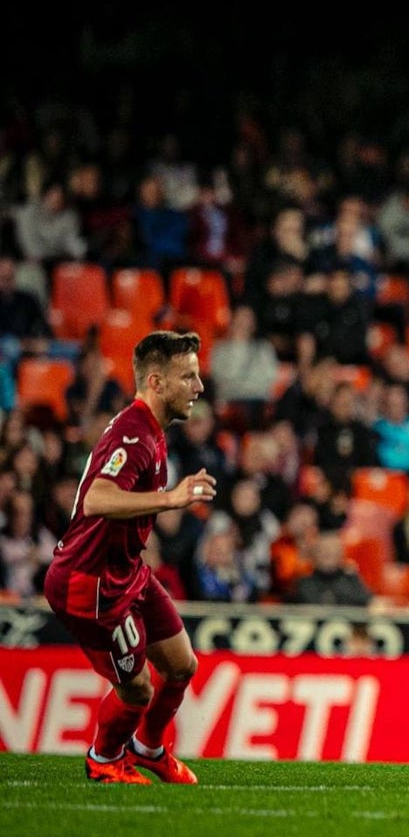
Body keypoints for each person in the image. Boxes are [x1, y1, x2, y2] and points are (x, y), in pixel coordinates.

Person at [41, 330, 216, 784]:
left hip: (126, 570)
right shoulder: (134, 436)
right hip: (90, 580)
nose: (198, 387)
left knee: (181, 665)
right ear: (156, 383)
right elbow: (98, 500)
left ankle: (149, 749)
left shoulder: (150, 431)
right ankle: (103, 759)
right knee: (137, 688)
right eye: (188, 377)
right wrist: (169, 498)